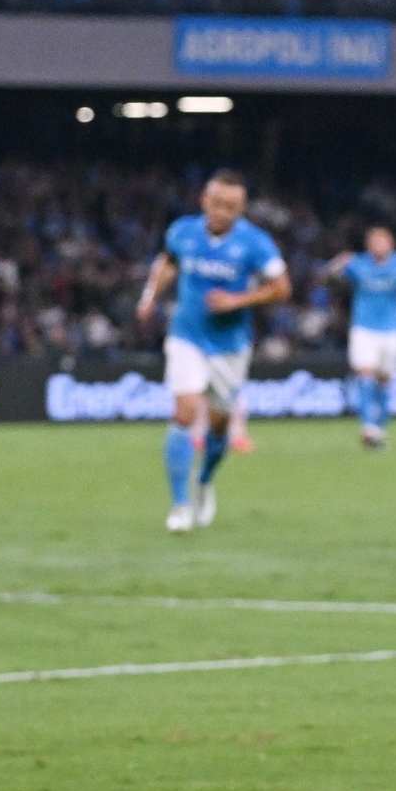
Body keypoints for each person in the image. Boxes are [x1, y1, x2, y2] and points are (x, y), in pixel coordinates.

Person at [134, 170, 289, 533]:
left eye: (232, 206)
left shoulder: (255, 243)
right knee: (185, 412)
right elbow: (168, 262)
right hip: (186, 336)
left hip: (230, 348)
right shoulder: (183, 231)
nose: (223, 212)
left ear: (242, 207)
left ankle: (203, 481)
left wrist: (239, 300)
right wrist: (150, 296)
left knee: (219, 426)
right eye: (217, 203)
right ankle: (180, 505)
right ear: (204, 200)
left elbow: (281, 288)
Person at [326, 225, 396, 449]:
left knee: (385, 379)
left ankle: (379, 428)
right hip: (364, 327)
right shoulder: (357, 263)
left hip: (392, 328)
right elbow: (327, 282)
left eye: (383, 241)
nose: (379, 246)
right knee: (365, 374)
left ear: (391, 244)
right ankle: (368, 426)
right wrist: (334, 267)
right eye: (375, 242)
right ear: (368, 245)